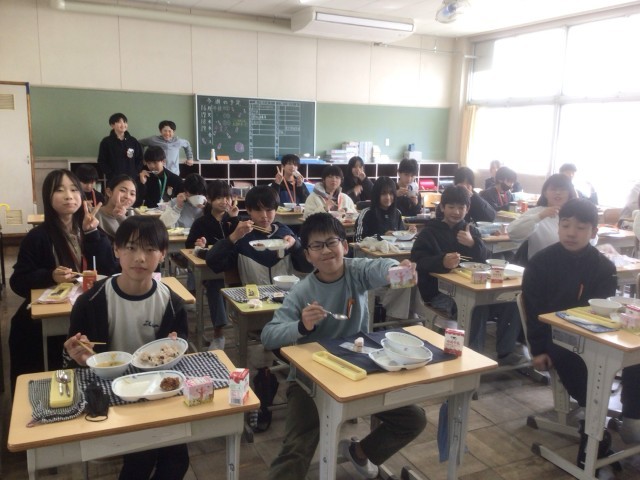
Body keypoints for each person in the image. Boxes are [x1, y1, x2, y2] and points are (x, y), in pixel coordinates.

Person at [261, 213, 426, 480]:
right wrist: (302, 326)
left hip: (358, 370)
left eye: (331, 242)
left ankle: (359, 452)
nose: (326, 251)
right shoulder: (302, 291)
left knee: (413, 419)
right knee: (296, 448)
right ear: (308, 255)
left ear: (345, 246)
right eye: (317, 246)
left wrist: (397, 269)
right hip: (310, 380)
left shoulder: (355, 271)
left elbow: (379, 268)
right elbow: (269, 336)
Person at [63, 215, 189, 480]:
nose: (140, 258)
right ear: (116, 250)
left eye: (150, 249)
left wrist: (175, 349)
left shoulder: (171, 303)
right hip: (108, 391)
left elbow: (178, 357)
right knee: (141, 458)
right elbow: (73, 362)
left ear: (163, 254)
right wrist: (79, 358)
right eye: (131, 248)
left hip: (155, 391)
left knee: (177, 461)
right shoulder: (91, 301)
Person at [521, 198, 640, 470]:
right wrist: (538, 349)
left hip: (598, 336)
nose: (571, 233)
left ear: (594, 232)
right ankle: (593, 430)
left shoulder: (604, 267)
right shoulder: (541, 263)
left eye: (580, 227)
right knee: (575, 359)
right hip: (556, 338)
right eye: (565, 225)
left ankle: (632, 417)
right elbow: (533, 311)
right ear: (558, 227)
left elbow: (604, 309)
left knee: (635, 360)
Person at [8, 169, 117, 390]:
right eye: (59, 190)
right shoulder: (38, 237)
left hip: (87, 306)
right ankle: (39, 390)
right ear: (48, 197)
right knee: (24, 332)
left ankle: (97, 387)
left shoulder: (90, 229)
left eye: (74, 189)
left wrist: (92, 234)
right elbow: (18, 281)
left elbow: (110, 269)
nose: (69, 196)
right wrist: (49, 276)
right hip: (51, 311)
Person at [411, 185, 524, 365]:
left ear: (468, 208)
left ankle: (506, 352)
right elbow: (417, 261)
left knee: (511, 301)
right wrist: (441, 262)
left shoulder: (470, 230)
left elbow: (487, 258)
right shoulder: (429, 233)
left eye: (461, 207)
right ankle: (473, 359)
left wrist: (473, 244)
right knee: (477, 308)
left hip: (474, 287)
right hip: (440, 294)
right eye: (451, 207)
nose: (456, 212)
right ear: (442, 207)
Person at [207, 185, 311, 285]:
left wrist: (296, 246)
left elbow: (308, 267)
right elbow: (213, 263)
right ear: (248, 210)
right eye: (258, 210)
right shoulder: (242, 236)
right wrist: (233, 237)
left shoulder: (285, 233)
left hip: (285, 294)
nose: (264, 216)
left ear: (276, 209)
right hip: (253, 295)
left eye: (269, 210)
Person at [186, 180, 240, 351]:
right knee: (215, 284)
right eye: (219, 198)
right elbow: (189, 245)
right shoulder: (201, 222)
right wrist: (198, 244)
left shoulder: (233, 219)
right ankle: (218, 334)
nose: (224, 201)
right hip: (211, 268)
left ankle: (253, 327)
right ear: (209, 199)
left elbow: (241, 240)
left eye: (227, 197)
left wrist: (235, 219)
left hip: (233, 267)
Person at [507, 174, 578, 263]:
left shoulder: (576, 215)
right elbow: (513, 233)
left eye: (563, 189)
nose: (558, 193)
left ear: (569, 193)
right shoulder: (536, 212)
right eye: (553, 189)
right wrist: (539, 216)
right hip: (541, 267)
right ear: (545, 193)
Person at [355, 176, 413, 242]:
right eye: (383, 194)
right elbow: (358, 239)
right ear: (376, 195)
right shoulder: (366, 213)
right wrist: (382, 237)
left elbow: (401, 235)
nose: (388, 197)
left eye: (391, 193)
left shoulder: (397, 213)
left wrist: (409, 232)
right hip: (373, 248)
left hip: (393, 248)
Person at [97, 113, 143, 182]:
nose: (123, 124)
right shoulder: (106, 142)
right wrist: (110, 174)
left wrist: (135, 172)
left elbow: (140, 158)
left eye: (125, 122)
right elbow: (102, 161)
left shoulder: (133, 141)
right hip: (114, 179)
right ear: (112, 125)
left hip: (131, 178)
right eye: (119, 122)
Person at [94, 174, 137, 240]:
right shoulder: (93, 214)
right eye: (123, 190)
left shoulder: (132, 218)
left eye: (132, 194)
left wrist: (121, 218)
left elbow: (133, 240)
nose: (128, 197)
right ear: (109, 192)